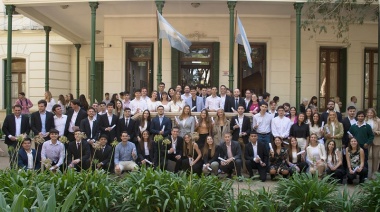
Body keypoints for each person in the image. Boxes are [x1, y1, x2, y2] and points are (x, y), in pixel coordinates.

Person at [365, 108, 380, 179]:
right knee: (366, 156)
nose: (370, 114)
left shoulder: (378, 120)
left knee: (375, 157)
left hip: (376, 140)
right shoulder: (365, 120)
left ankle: (374, 173)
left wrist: (377, 132)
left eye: (371, 113)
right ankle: (366, 173)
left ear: (374, 113)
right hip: (367, 140)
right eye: (368, 113)